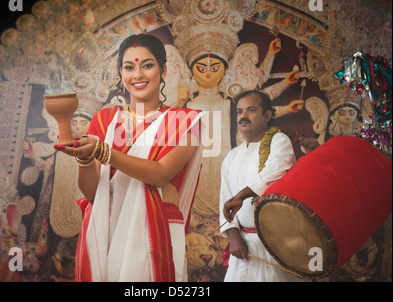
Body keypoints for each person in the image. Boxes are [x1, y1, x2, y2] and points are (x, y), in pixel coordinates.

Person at [54, 33, 204, 282]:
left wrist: (104, 152)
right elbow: (94, 195)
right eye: (129, 67)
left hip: (156, 230)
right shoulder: (105, 119)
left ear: (163, 69)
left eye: (147, 65)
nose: (138, 75)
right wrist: (84, 158)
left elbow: (160, 174)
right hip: (107, 228)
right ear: (120, 73)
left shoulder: (184, 121)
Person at [219, 90, 300, 282]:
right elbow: (225, 199)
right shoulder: (232, 156)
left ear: (267, 115)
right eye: (239, 112)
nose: (243, 116)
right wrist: (233, 236)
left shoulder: (279, 141)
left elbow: (275, 172)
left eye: (251, 110)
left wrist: (241, 196)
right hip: (243, 248)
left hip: (275, 245)